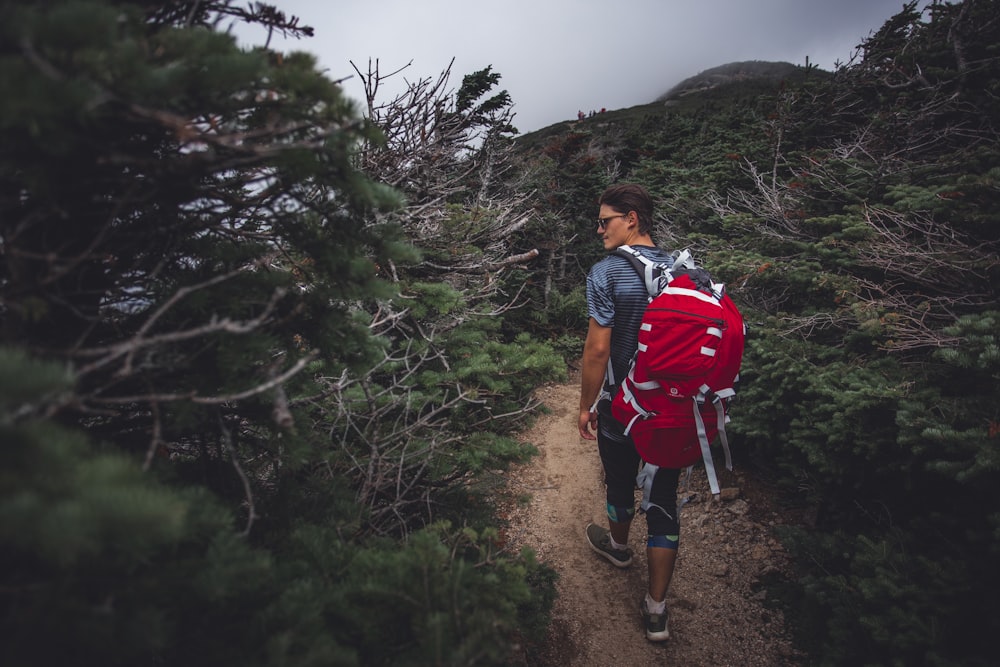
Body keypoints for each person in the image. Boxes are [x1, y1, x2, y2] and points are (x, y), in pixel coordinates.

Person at [578, 183, 679, 642]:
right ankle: (657, 610)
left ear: (632, 218)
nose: (598, 228)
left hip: (624, 406)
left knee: (619, 480)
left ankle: (619, 548)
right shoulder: (686, 273)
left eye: (605, 220)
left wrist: (586, 405)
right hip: (675, 411)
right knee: (663, 503)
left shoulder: (607, 272)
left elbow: (598, 350)